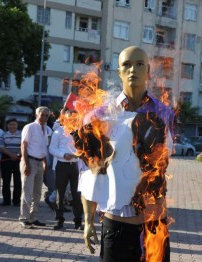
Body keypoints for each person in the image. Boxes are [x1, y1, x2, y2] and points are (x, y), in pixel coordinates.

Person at [76, 46, 174, 261]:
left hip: (154, 226)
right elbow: (89, 172)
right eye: (126, 65)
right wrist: (88, 220)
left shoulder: (164, 114)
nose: (133, 70)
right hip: (117, 225)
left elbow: (163, 162)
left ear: (148, 71)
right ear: (119, 72)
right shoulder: (100, 116)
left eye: (139, 64)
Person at [49, 109, 83, 230]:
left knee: (77, 194)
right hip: (62, 165)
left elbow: (83, 148)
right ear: (65, 118)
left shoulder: (80, 132)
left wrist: (78, 153)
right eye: (69, 118)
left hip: (75, 166)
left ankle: (78, 222)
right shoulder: (58, 132)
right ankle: (59, 220)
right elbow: (52, 149)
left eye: (74, 118)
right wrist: (63, 155)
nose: (72, 121)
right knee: (60, 194)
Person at [19, 106, 51, 229]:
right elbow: (24, 146)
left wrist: (44, 162)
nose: (44, 117)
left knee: (37, 193)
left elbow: (43, 148)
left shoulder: (47, 129)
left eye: (46, 115)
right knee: (27, 191)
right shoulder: (29, 127)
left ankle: (32, 218)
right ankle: (24, 218)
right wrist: (26, 164)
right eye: (42, 115)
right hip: (30, 161)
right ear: (36, 115)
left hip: (40, 163)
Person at [0, 118, 22, 206]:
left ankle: (16, 201)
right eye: (10, 124)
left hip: (18, 159)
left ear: (17, 125)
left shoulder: (22, 134)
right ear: (7, 125)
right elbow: (1, 147)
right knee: (6, 181)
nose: (12, 126)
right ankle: (6, 201)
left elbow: (23, 146)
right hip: (6, 159)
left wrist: (17, 154)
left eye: (14, 124)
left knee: (18, 181)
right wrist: (11, 155)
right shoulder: (3, 135)